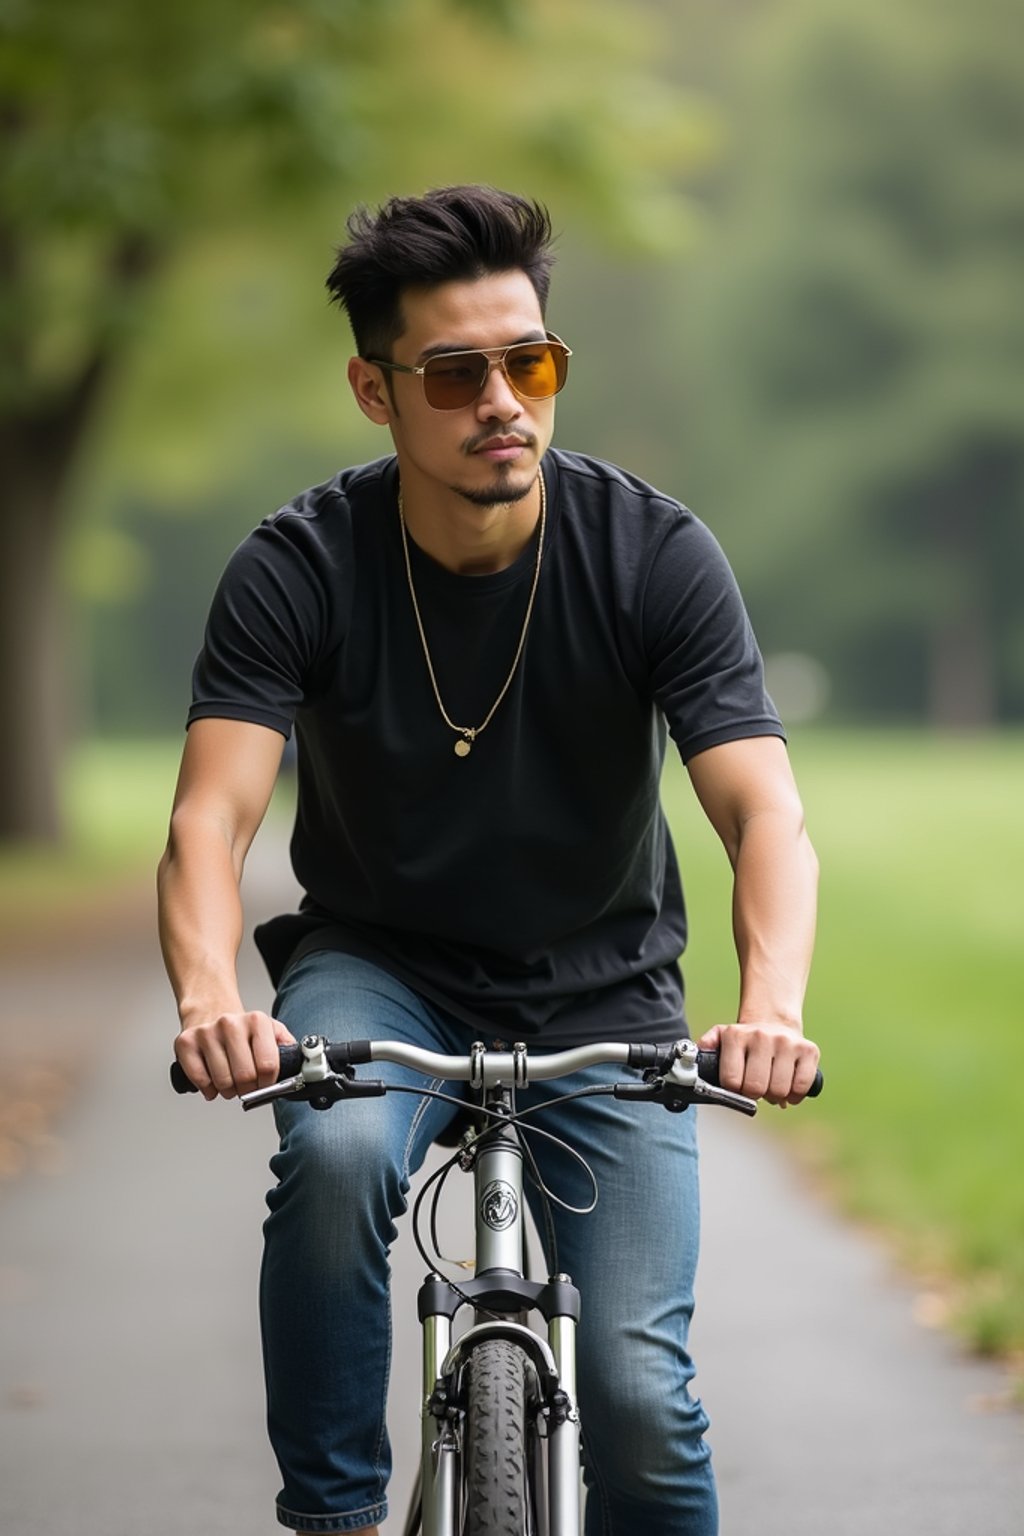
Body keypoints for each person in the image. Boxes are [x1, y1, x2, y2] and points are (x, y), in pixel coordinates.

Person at [158, 184, 819, 1536]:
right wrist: (208, 1003)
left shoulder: (653, 554)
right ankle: (335, 1517)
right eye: (455, 374)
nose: (502, 401)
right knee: (335, 1163)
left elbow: (765, 813)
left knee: (639, 1394)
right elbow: (210, 819)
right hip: (379, 972)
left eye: (531, 363)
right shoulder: (300, 565)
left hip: (605, 986)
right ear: (375, 389)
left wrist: (772, 1011)